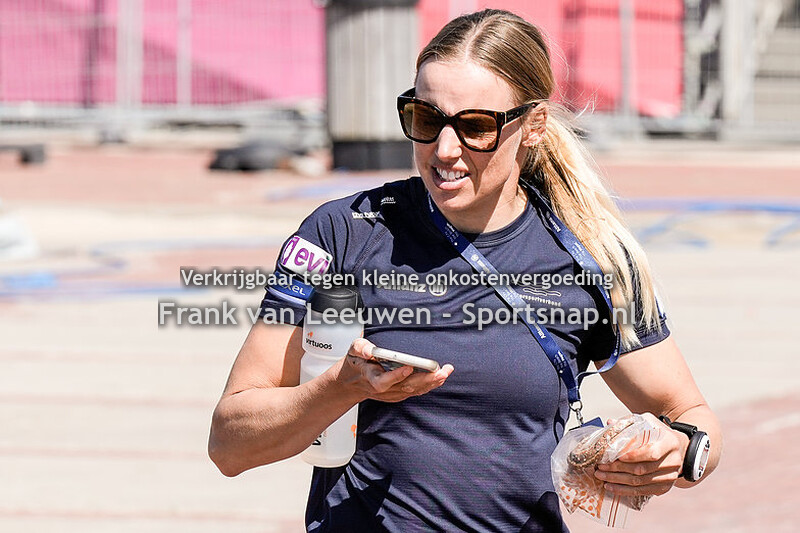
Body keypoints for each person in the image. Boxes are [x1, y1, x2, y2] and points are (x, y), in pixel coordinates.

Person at [208, 9, 722, 532]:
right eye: (426, 120)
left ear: (534, 126)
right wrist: (343, 387)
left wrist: (677, 449)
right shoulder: (342, 234)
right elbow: (229, 445)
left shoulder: (595, 254)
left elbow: (690, 414)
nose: (443, 150)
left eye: (476, 127)